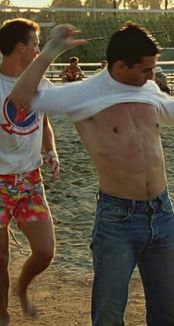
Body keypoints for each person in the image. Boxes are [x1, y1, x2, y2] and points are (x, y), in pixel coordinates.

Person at [10, 23, 174, 326]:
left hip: (162, 212)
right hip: (117, 220)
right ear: (120, 66)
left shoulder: (146, 87)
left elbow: (173, 111)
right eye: (146, 69)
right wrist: (51, 50)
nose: (152, 76)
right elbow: (20, 98)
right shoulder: (84, 93)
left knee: (166, 314)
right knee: (108, 317)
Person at [0, 18, 60, 326]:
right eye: (35, 44)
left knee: (45, 250)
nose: (38, 50)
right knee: (0, 258)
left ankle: (22, 286)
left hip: (29, 181)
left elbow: (44, 122)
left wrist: (51, 150)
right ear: (20, 48)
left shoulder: (41, 84)